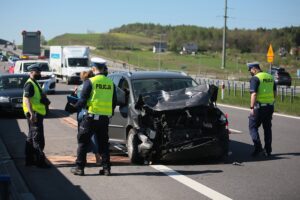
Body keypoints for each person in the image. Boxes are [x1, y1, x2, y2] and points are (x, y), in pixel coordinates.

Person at [71, 57, 117, 176]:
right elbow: (114, 101)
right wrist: (109, 113)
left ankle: (79, 168)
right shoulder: (110, 83)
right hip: (104, 119)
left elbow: (82, 100)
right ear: (103, 68)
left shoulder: (90, 82)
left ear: (93, 68)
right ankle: (106, 169)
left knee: (82, 141)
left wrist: (73, 106)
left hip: (90, 117)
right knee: (103, 144)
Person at [23, 63, 51, 168]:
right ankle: (40, 162)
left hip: (37, 113)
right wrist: (31, 114)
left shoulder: (35, 83)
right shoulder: (30, 84)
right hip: (34, 114)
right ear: (31, 72)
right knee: (37, 138)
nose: (39, 73)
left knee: (31, 137)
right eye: (37, 72)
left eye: (40, 72)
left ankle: (29, 160)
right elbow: (27, 100)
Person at [247, 62, 276, 157]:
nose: (250, 72)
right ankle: (268, 150)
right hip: (270, 106)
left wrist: (251, 107)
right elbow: (275, 92)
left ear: (254, 69)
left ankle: (258, 147)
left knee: (253, 127)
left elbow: (253, 94)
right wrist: (272, 103)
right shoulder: (270, 77)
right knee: (267, 129)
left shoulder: (255, 78)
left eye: (250, 70)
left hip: (259, 108)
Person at [75, 70, 101, 164]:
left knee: (82, 137)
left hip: (82, 115)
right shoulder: (93, 86)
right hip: (90, 113)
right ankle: (97, 157)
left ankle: (82, 158)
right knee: (92, 136)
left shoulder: (80, 88)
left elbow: (80, 101)